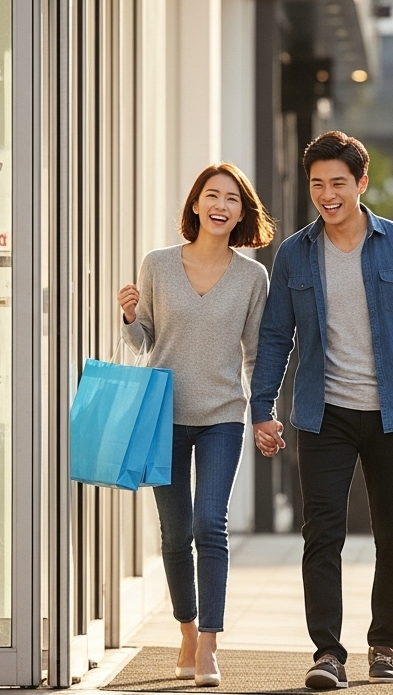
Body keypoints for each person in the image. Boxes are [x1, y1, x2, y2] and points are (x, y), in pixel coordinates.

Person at [249, 131, 393, 690]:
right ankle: (327, 653)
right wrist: (262, 407)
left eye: (338, 183)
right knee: (322, 534)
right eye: (317, 184)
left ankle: (383, 645)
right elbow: (275, 338)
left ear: (361, 184)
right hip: (323, 413)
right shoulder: (295, 252)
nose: (327, 194)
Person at [116, 162, 274, 688]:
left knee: (211, 523)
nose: (221, 205)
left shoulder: (253, 276)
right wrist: (129, 317)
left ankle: (208, 643)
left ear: (242, 213)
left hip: (223, 415)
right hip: (163, 414)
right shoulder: (157, 265)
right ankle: (185, 631)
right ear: (196, 204)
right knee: (175, 532)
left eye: (232, 199)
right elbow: (143, 344)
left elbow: (254, 355)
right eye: (212, 195)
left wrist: (263, 415)